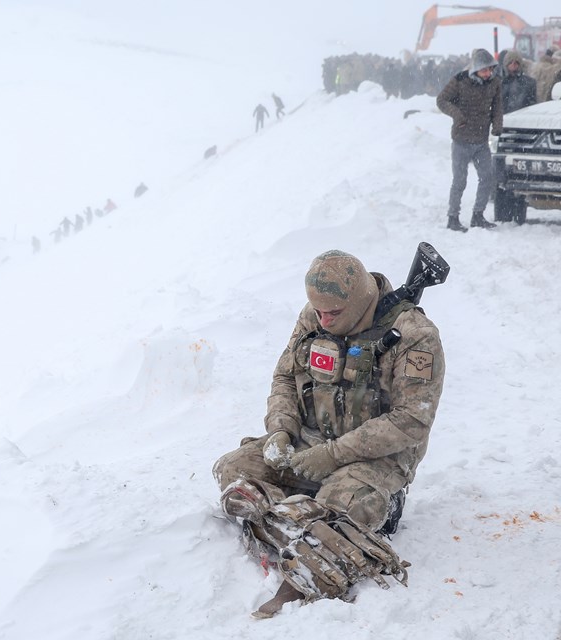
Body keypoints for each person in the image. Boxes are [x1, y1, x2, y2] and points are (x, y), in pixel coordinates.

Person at [213, 250, 445, 617]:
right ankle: (303, 520)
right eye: (317, 311)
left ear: (359, 302)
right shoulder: (314, 317)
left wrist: (334, 455)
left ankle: (314, 528)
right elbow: (285, 377)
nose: (322, 320)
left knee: (343, 509)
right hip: (309, 440)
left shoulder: (415, 336)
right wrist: (280, 430)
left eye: (333, 313)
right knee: (233, 469)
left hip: (374, 457)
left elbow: (411, 421)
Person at [436, 48, 502, 231]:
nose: (488, 73)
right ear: (476, 69)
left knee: (487, 178)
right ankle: (453, 218)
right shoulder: (460, 80)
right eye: (484, 70)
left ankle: (478, 215)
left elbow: (497, 106)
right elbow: (441, 100)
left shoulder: (495, 83)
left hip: (481, 141)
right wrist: (457, 115)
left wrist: (497, 125)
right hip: (461, 140)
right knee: (460, 181)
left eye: (490, 69)